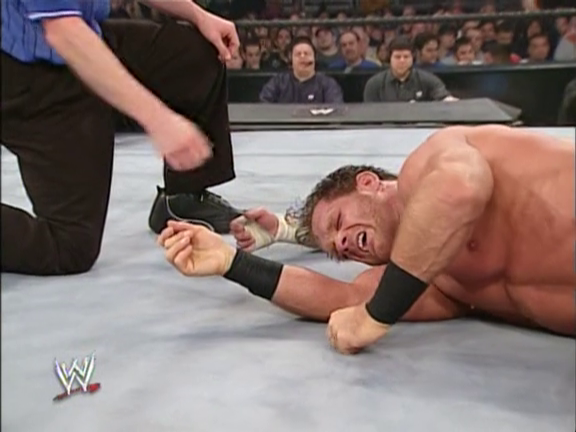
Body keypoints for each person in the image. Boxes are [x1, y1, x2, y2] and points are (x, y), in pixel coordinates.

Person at [159, 125, 575, 355]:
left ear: (369, 183)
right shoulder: (437, 282)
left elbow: (459, 190)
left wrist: (376, 317)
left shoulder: (427, 163)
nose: (343, 243)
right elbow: (340, 299)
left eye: (339, 221)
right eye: (337, 251)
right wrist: (231, 262)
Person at [2, 0, 243, 275]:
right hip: (30, 77)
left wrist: (198, 15)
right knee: (69, 247)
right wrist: (158, 120)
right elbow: (63, 32)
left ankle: (183, 200)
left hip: (84, 38)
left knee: (199, 56)